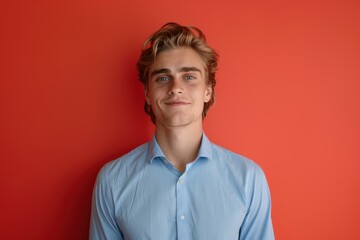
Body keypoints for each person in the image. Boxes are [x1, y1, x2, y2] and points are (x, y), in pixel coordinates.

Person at [90, 22, 275, 240]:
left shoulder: (249, 179)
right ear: (148, 94)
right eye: (162, 78)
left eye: (189, 77)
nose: (175, 87)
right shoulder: (112, 181)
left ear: (207, 91)